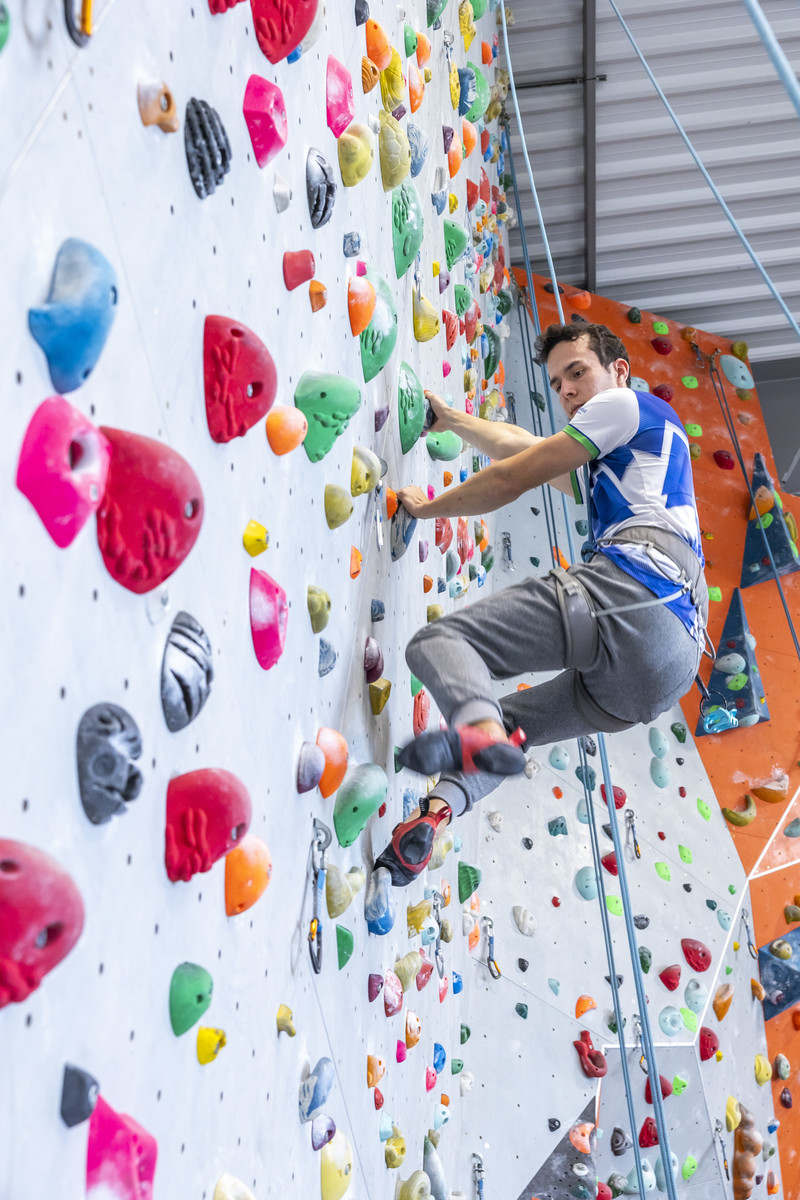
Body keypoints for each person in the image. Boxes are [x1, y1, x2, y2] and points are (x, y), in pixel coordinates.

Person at [372, 321, 708, 889]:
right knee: (506, 727)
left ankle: (476, 733)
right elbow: (520, 446)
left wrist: (424, 509)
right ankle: (434, 816)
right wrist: (453, 421)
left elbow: (512, 477)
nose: (567, 390)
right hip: (667, 670)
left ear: (619, 371)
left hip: (638, 595)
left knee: (444, 642)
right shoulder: (627, 459)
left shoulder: (626, 405)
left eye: (577, 372)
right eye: (557, 384)